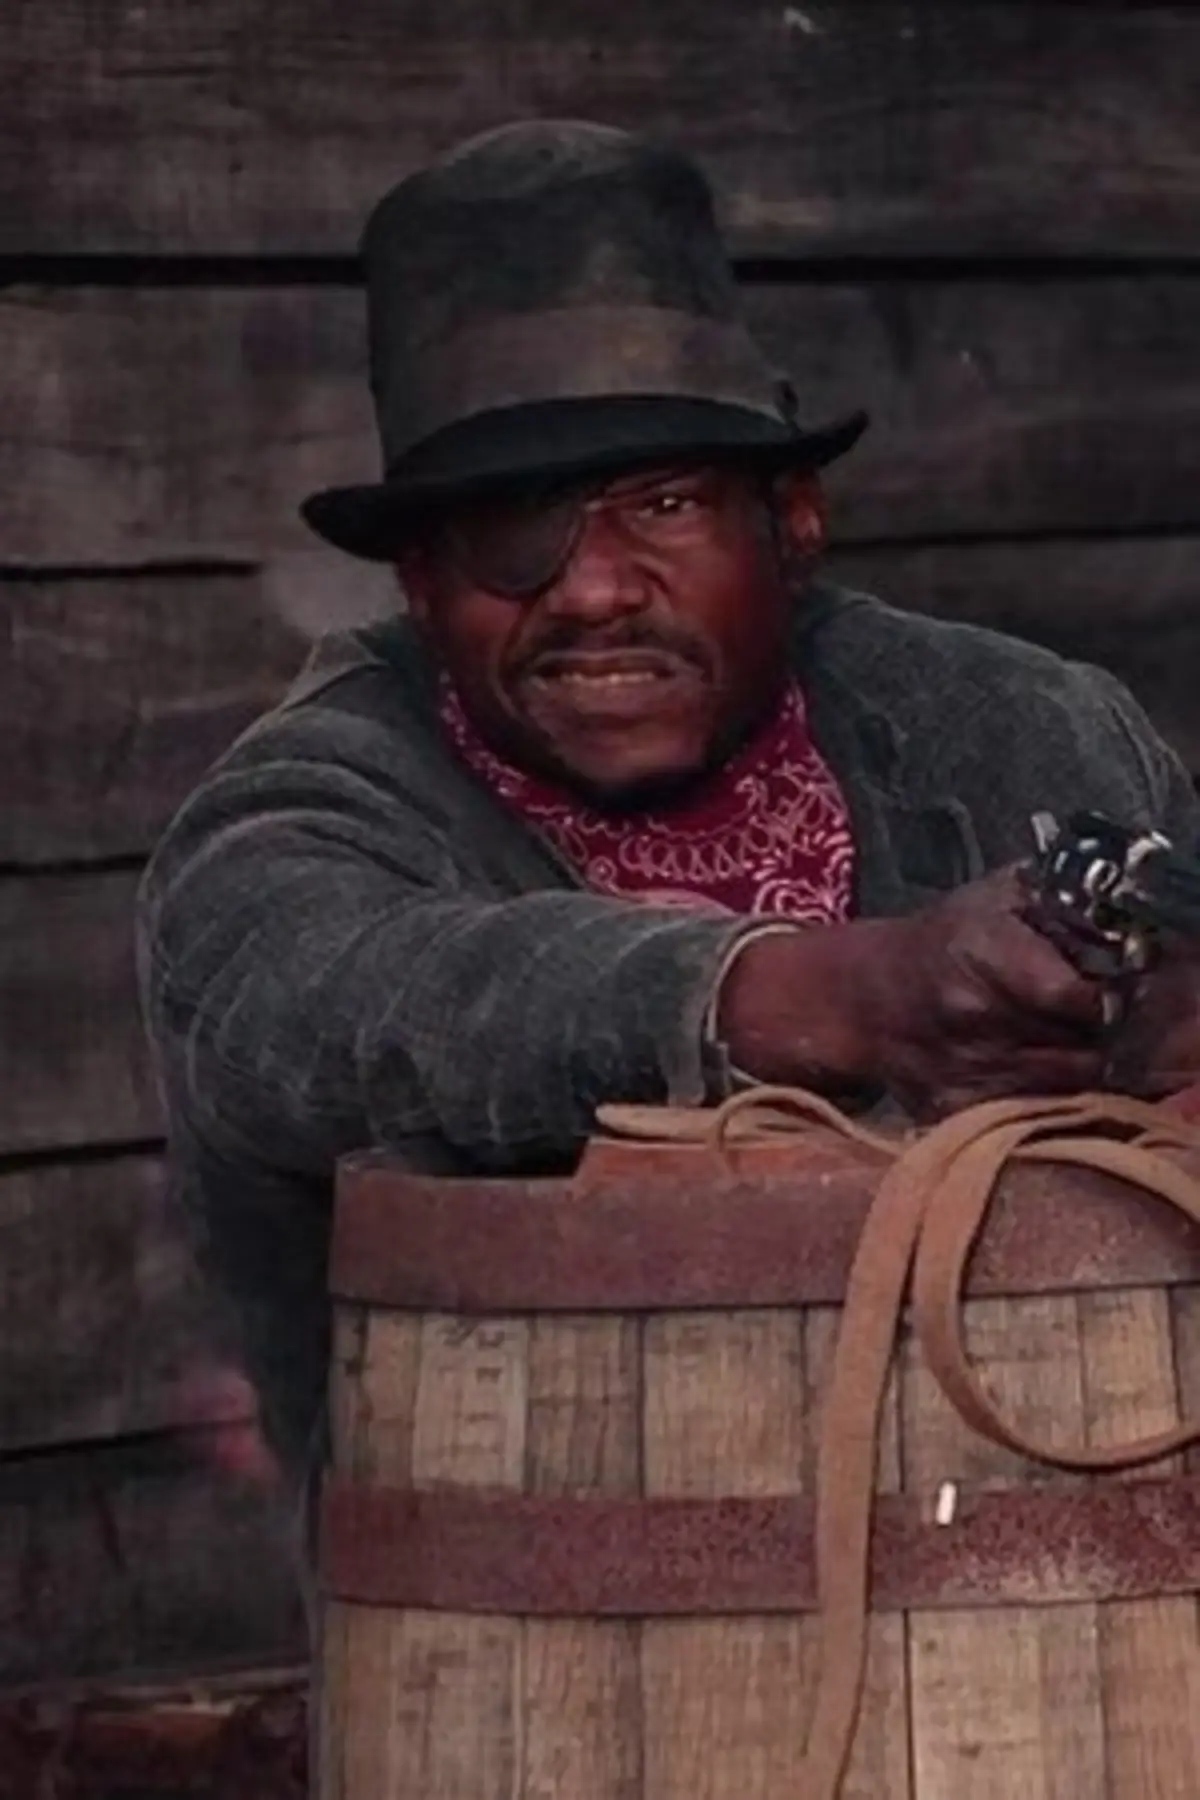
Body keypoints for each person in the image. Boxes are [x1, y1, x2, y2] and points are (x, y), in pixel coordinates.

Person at [136, 119, 1200, 1492]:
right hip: (514, 1602)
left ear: (793, 521)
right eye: (509, 525)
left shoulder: (1015, 730)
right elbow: (340, 997)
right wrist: (842, 995)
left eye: (668, 503)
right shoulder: (301, 813)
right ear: (417, 580)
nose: (591, 590)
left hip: (1063, 1584)